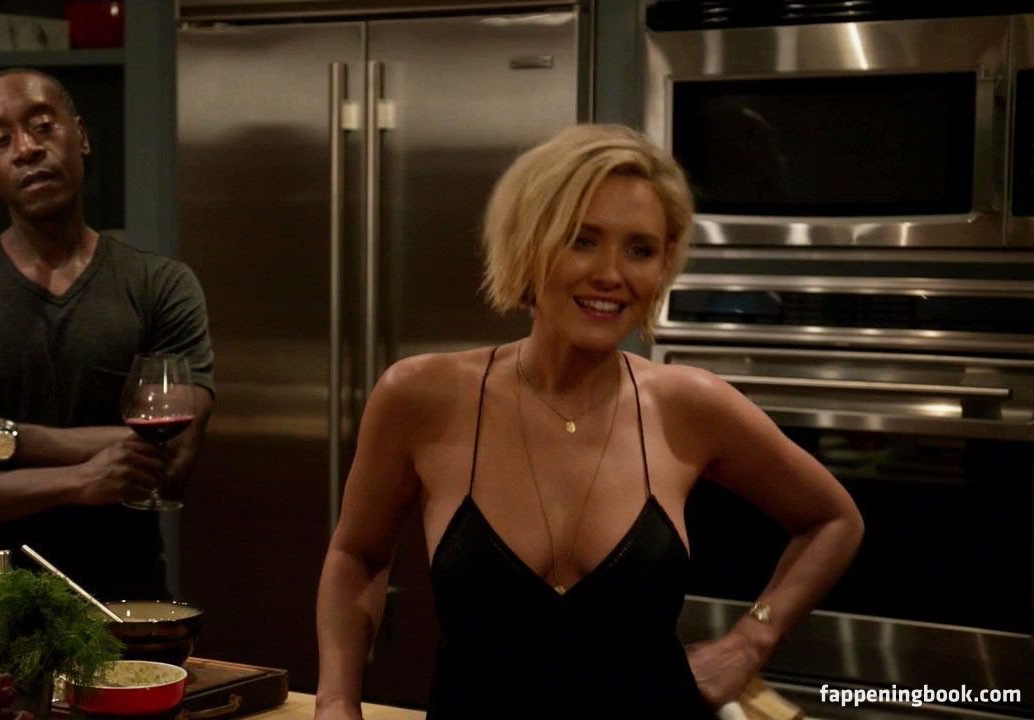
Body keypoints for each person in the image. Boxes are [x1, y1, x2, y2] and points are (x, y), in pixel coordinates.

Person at [314, 124, 863, 719]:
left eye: (640, 250)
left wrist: (751, 640)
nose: (611, 274)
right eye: (583, 240)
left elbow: (833, 520)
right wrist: (336, 701)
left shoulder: (690, 406)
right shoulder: (422, 396)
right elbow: (356, 556)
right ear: (529, 243)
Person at [0, 69, 214, 635]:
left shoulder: (161, 286)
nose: (26, 148)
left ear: (81, 136)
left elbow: (170, 460)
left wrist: (0, 438)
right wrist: (79, 481)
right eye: (1, 139)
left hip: (123, 620)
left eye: (43, 126)